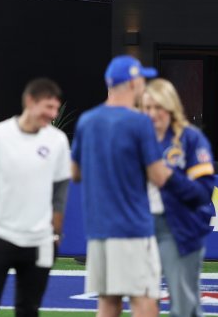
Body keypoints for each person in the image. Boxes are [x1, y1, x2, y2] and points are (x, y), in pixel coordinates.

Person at [71, 55, 171, 317]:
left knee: (107, 302)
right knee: (145, 300)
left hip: (99, 228)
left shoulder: (87, 121)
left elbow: (75, 172)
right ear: (133, 83)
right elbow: (159, 177)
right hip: (132, 228)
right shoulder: (139, 123)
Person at [0, 78, 71, 317]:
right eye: (48, 107)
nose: (53, 114)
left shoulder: (57, 140)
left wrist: (55, 233)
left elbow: (60, 191)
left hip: (40, 240)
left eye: (56, 108)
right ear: (30, 101)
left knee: (29, 309)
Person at [141, 78, 215, 317]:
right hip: (139, 227)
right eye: (147, 108)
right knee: (142, 303)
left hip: (178, 227)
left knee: (184, 306)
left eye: (158, 107)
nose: (152, 114)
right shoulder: (136, 139)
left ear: (171, 107)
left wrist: (169, 177)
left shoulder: (191, 139)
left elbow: (204, 193)